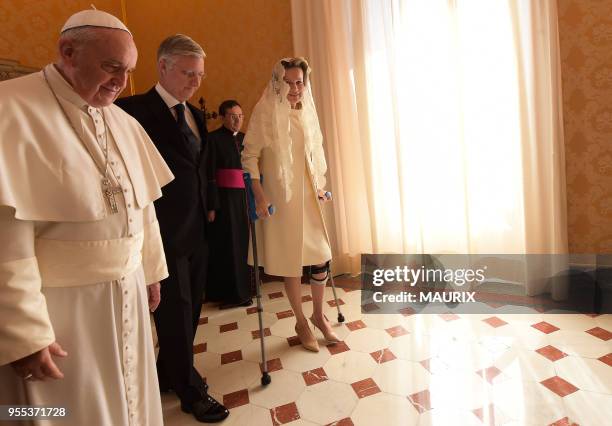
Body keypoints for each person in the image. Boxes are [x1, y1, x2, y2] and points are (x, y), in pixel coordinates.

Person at [0, 9, 173, 426]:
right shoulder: (11, 109)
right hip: (60, 312)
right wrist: (24, 333)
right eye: (112, 67)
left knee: (130, 402)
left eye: (128, 70)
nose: (122, 82)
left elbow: (141, 205)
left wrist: (151, 269)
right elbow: (7, 236)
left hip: (126, 292)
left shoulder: (122, 119)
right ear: (68, 52)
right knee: (64, 409)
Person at [116, 34, 228, 423]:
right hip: (160, 233)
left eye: (200, 74)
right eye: (188, 73)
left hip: (197, 230)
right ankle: (189, 390)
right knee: (175, 314)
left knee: (192, 307)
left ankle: (169, 371)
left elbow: (203, 169)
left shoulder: (196, 114)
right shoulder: (130, 111)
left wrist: (211, 208)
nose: (196, 81)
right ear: (162, 67)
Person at [242, 57, 338, 353]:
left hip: (308, 197)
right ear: (277, 82)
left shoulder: (306, 111)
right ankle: (301, 321)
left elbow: (313, 153)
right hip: (281, 198)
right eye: (289, 82)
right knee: (292, 262)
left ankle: (319, 315)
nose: (295, 88)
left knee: (320, 256)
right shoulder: (265, 112)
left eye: (300, 82)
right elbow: (249, 157)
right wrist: (259, 194)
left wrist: (319, 187)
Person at [206, 100, 253, 309]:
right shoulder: (212, 139)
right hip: (224, 201)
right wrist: (212, 205)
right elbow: (209, 175)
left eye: (240, 116)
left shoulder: (246, 139)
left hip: (244, 199)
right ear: (223, 117)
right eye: (233, 116)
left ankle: (246, 289)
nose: (237, 120)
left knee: (244, 245)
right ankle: (232, 295)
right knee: (228, 246)